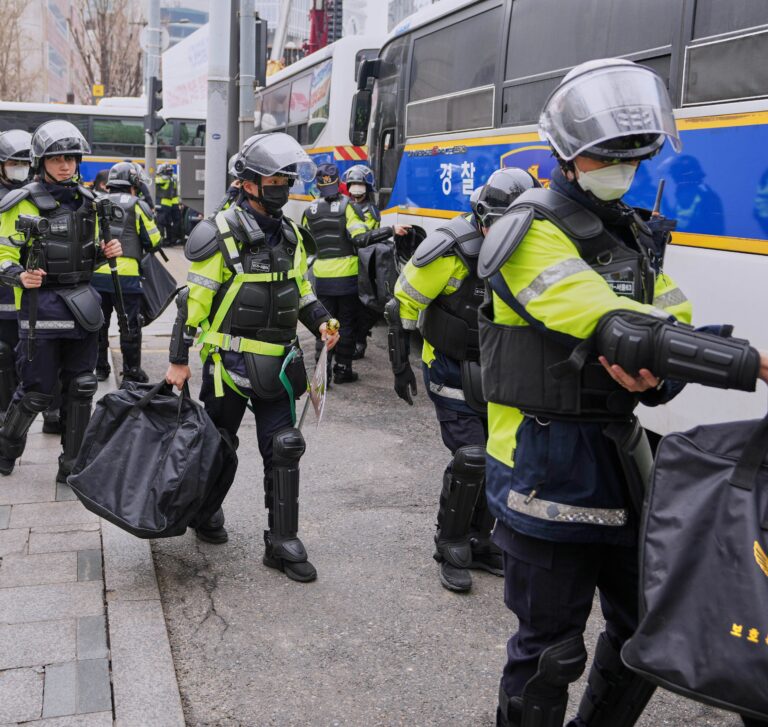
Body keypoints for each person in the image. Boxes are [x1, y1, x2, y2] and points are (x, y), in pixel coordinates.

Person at [481, 59, 768, 727]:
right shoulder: (525, 232)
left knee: (644, 632)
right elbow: (617, 325)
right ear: (567, 154)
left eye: (633, 155)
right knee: (548, 651)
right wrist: (749, 362)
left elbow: (673, 323)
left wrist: (663, 369)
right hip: (541, 466)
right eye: (609, 155)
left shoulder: (630, 233)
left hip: (620, 460)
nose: (624, 166)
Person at [165, 132, 339, 583]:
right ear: (247, 183)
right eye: (274, 178)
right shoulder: (217, 234)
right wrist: (179, 360)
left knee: (284, 447)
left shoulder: (293, 234)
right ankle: (205, 512)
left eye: (287, 177)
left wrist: (321, 319)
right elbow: (194, 304)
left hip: (279, 364)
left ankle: (281, 542)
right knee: (219, 444)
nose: (284, 184)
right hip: (228, 364)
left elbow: (298, 289)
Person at [385, 168, 538, 593]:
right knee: (471, 456)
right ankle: (449, 541)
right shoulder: (450, 250)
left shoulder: (532, 248)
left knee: (499, 456)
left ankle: (479, 537)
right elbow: (402, 307)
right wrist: (401, 366)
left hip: (504, 368)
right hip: (452, 365)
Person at [0, 120, 121, 481]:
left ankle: (72, 464)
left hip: (84, 305)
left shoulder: (91, 203)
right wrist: (17, 274)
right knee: (37, 390)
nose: (65, 165)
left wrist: (105, 253)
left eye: (70, 158)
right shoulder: (20, 203)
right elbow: (3, 252)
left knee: (82, 386)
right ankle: (6, 446)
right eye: (56, 159)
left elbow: (83, 255)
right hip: (41, 308)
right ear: (41, 161)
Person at [93, 161, 162, 383]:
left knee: (98, 324)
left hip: (96, 276)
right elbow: (154, 240)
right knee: (130, 325)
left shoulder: (96, 202)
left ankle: (101, 368)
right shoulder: (138, 205)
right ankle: (131, 372)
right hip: (127, 278)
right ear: (134, 182)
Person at [301, 163, 362, 384]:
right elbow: (359, 237)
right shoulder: (348, 206)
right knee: (345, 322)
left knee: (327, 323)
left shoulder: (309, 211)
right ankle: (343, 370)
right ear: (339, 183)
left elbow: (306, 245)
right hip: (347, 278)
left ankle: (323, 372)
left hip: (323, 278)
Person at [341, 164, 408, 359]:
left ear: (367, 187)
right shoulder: (346, 207)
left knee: (366, 309)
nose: (356, 188)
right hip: (350, 266)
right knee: (351, 310)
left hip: (365, 266)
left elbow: (367, 237)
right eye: (353, 184)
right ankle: (353, 342)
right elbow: (357, 237)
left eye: (360, 184)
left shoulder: (371, 209)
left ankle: (359, 340)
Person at [155, 163, 181, 246]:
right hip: (171, 204)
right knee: (169, 223)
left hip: (163, 203)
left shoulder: (163, 179)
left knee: (160, 223)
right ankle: (170, 240)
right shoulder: (174, 178)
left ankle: (162, 240)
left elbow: (154, 180)